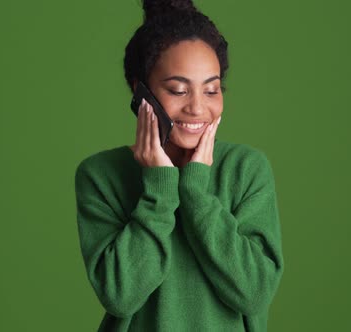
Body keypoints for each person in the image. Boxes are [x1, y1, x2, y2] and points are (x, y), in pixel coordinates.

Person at [74, 1, 284, 330]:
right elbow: (120, 296)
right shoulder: (101, 175)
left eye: (212, 89)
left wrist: (194, 190)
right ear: (139, 90)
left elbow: (254, 294)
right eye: (178, 90)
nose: (198, 107)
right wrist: (160, 187)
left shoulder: (246, 169)